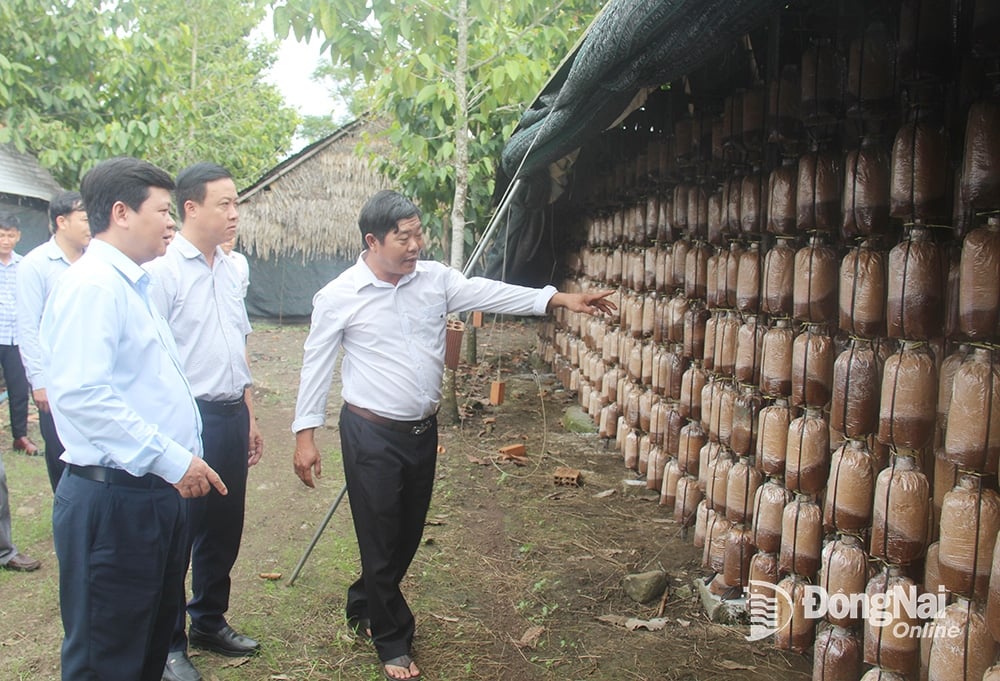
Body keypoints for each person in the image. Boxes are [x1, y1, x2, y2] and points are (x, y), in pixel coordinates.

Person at [291, 190, 615, 681]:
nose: (415, 244)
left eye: (418, 233)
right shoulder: (339, 296)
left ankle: (364, 601)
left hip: (421, 432)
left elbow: (492, 292)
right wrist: (305, 436)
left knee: (406, 534)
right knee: (379, 537)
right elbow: (316, 366)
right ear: (373, 241)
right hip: (370, 433)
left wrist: (557, 298)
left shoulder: (435, 281)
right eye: (404, 237)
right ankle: (393, 639)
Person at [39, 156, 227, 681]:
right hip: (115, 500)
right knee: (107, 656)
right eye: (163, 211)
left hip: (148, 496)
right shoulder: (94, 286)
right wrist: (171, 459)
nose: (171, 223)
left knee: (144, 647)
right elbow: (81, 395)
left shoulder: (131, 284)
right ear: (121, 213)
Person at [146, 163, 264, 681]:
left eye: (237, 203)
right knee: (178, 532)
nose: (235, 213)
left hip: (229, 414)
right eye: (224, 204)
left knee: (224, 524)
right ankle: (169, 642)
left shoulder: (234, 268)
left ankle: (208, 620)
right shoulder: (163, 271)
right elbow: (151, 358)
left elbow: (238, 345)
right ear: (190, 208)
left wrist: (250, 417)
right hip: (184, 418)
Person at [16, 191, 91, 491]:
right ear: (61, 221)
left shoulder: (95, 261)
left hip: (93, 373)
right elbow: (28, 327)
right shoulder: (37, 264)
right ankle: (66, 511)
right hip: (57, 379)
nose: (90, 225)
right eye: (84, 219)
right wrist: (39, 382)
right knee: (61, 454)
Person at [0, 217, 38, 456]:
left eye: (10, 235)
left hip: (17, 338)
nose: (5, 241)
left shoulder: (24, 265)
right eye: (1, 235)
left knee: (19, 388)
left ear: (18, 236)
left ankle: (20, 436)